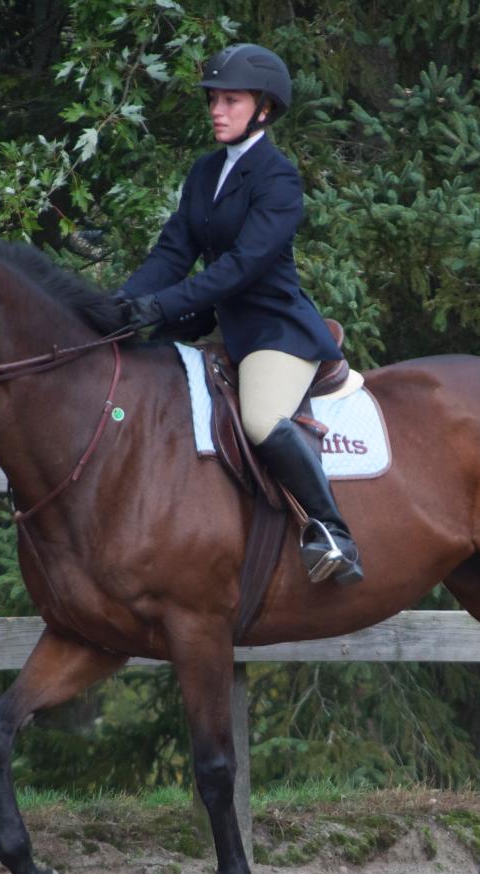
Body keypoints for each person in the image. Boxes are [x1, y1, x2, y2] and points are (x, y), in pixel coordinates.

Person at [117, 43, 363, 585]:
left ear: (264, 109)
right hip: (218, 326)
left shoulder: (278, 178)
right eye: (213, 100)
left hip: (275, 330)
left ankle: (332, 533)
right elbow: (172, 253)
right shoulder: (205, 172)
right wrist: (117, 306)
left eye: (230, 100)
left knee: (258, 419)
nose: (217, 110)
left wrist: (158, 305)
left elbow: (241, 267)